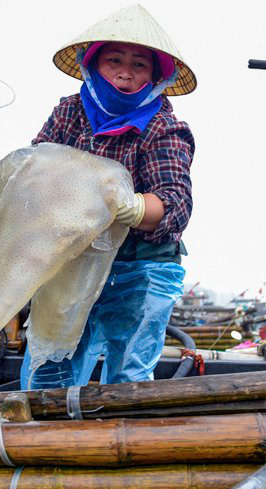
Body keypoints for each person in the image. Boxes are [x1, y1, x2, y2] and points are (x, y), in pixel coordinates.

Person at [20, 5, 197, 389]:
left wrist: (127, 207)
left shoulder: (165, 127)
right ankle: (42, 444)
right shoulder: (69, 112)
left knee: (128, 376)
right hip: (73, 257)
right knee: (50, 366)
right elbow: (37, 172)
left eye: (140, 66)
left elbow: (174, 206)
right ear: (92, 64)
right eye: (114, 60)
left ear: (156, 77)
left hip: (139, 265)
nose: (125, 73)